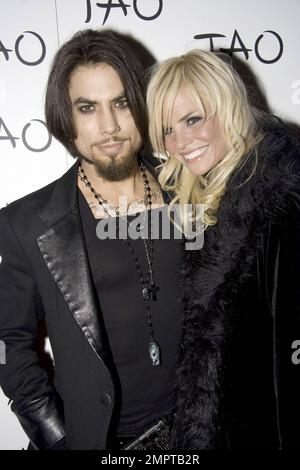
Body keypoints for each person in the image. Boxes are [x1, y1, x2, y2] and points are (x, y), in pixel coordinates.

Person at [0, 29, 183, 450]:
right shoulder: (26, 224)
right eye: (87, 108)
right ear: (65, 117)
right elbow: (8, 340)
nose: (109, 126)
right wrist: (57, 436)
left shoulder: (192, 195)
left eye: (120, 103)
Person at [147, 50, 300, 448]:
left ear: (227, 106)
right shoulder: (200, 202)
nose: (180, 143)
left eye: (192, 119)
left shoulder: (282, 201)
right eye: (167, 129)